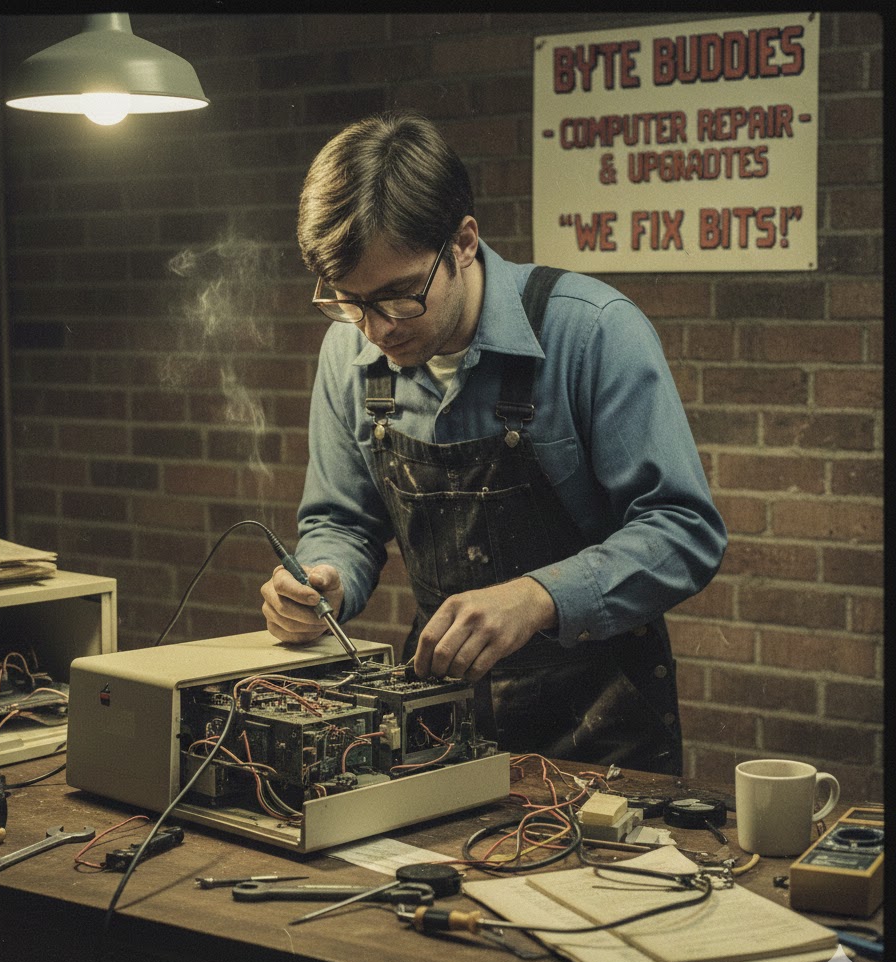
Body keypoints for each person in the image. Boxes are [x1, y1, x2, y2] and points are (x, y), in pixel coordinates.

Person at [260, 110, 726, 774]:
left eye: (398, 296)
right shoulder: (348, 353)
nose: (377, 330)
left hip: (602, 716)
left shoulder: (593, 334)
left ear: (464, 242)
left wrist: (537, 598)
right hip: (439, 711)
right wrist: (325, 582)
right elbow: (341, 520)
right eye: (349, 301)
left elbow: (685, 530)